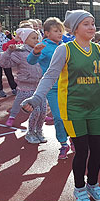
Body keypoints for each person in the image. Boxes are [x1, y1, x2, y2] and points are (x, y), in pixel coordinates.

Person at [22, 10, 100, 201]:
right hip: (74, 109)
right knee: (82, 150)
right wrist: (37, 98)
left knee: (97, 151)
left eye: (93, 23)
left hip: (96, 108)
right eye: (86, 24)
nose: (91, 27)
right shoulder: (65, 50)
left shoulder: (98, 49)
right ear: (75, 28)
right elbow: (50, 76)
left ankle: (93, 184)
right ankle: (79, 187)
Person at [27, 17, 73, 159]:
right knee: (58, 117)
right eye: (56, 31)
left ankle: (73, 138)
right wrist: (35, 52)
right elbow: (31, 60)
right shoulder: (44, 46)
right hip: (53, 88)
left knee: (72, 116)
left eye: (61, 31)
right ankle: (63, 144)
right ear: (47, 33)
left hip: (69, 86)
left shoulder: (66, 44)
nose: (60, 33)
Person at [0, 28, 46, 144]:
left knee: (43, 111)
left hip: (39, 87)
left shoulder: (40, 50)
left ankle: (38, 131)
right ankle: (30, 132)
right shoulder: (19, 52)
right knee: (36, 110)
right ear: (25, 39)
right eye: (33, 38)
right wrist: (8, 52)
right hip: (26, 88)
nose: (36, 40)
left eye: (37, 38)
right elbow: (3, 63)